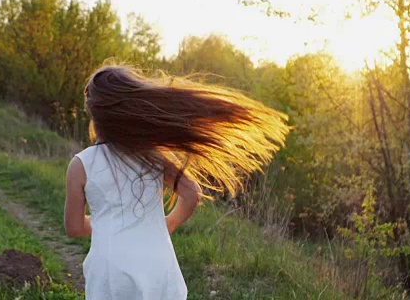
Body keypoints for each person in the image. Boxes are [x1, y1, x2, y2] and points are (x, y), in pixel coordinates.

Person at [64, 65, 289, 299]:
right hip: (157, 265)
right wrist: (168, 223)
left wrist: (107, 222)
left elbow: (75, 227)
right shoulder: (150, 155)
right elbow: (192, 193)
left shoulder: (80, 165)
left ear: (92, 111)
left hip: (110, 272)